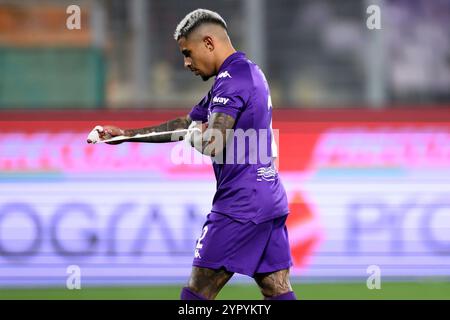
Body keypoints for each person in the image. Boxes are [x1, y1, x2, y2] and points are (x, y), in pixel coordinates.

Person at [88, 9, 296, 300]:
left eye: (188, 53)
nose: (186, 63)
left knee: (197, 294)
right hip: (268, 198)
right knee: (276, 288)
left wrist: (196, 136)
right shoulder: (243, 73)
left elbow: (214, 142)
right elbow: (185, 123)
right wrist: (127, 134)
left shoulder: (232, 81)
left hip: (241, 206)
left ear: (209, 43)